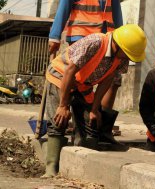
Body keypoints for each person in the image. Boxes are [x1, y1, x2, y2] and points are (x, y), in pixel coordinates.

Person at [48, 0, 125, 143]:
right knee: (75, 83)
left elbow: (116, 12)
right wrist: (55, 36)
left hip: (106, 42)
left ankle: (96, 127)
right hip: (80, 38)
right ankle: (63, 125)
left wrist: (121, 38)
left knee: (106, 82)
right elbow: (65, 3)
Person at [42, 24, 147, 177]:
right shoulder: (95, 42)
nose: (129, 59)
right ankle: (51, 168)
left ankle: (80, 167)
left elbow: (107, 80)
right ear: (118, 46)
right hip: (61, 76)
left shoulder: (122, 58)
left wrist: (95, 109)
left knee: (91, 126)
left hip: (83, 85)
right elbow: (70, 71)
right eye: (128, 54)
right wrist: (63, 105)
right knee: (59, 121)